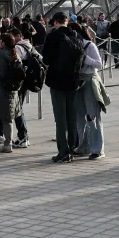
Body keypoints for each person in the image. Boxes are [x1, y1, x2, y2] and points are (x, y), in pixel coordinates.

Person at [42, 12, 82, 163]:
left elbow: (46, 58)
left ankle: (63, 152)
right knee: (71, 117)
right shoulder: (76, 36)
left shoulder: (53, 36)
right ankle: (72, 148)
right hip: (73, 81)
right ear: (66, 21)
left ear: (55, 22)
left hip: (57, 80)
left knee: (60, 118)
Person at [74, 27, 106, 159]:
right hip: (78, 82)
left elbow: (99, 64)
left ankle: (98, 149)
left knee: (93, 115)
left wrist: (86, 59)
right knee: (79, 117)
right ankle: (84, 146)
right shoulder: (73, 46)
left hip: (89, 80)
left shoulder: (90, 45)